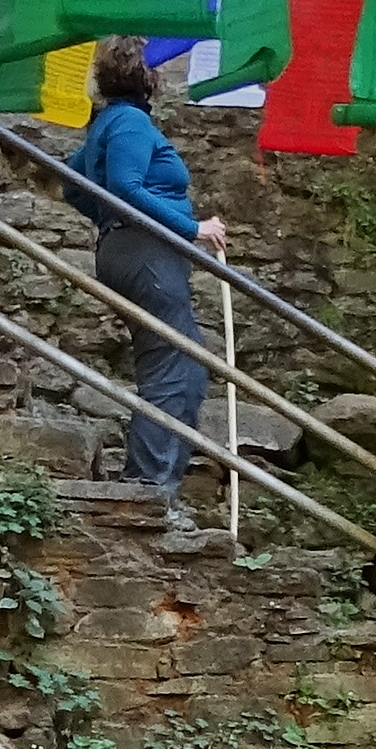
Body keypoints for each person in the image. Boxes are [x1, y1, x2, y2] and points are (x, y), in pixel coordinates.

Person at [61, 37, 228, 550]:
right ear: (150, 76)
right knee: (173, 367)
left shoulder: (107, 124)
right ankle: (148, 490)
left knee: (185, 366)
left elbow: (72, 181)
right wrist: (190, 228)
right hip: (146, 252)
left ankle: (156, 489)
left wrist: (108, 223)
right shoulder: (131, 124)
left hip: (132, 250)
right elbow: (128, 187)